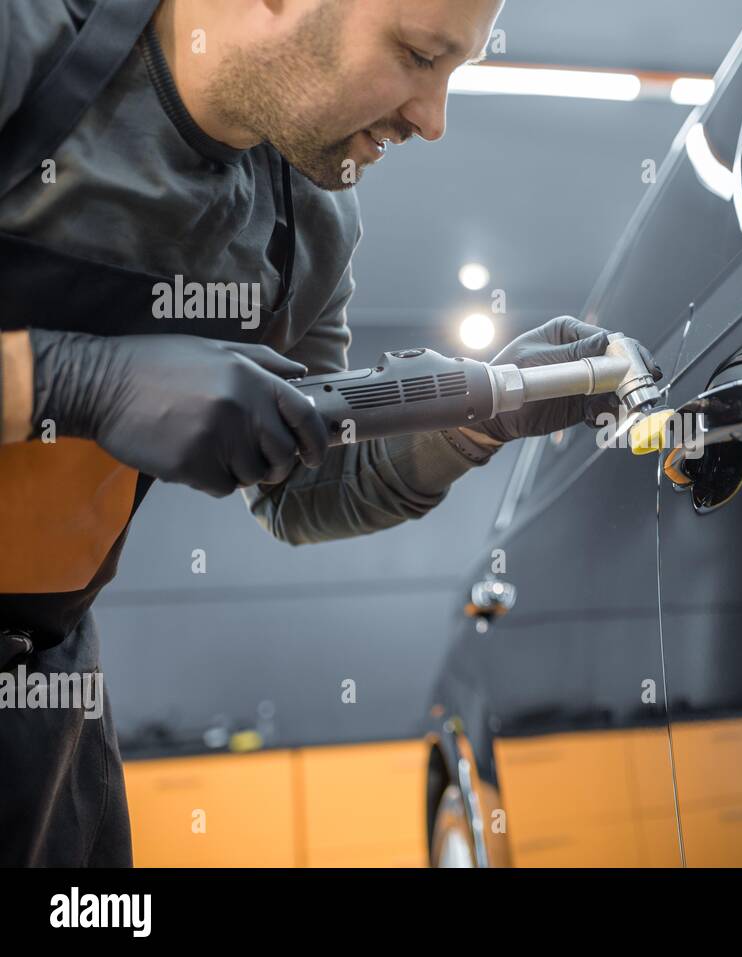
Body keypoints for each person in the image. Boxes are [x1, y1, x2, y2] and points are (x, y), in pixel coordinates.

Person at [0, 0, 657, 865]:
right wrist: (74, 381)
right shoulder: (29, 41)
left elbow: (301, 484)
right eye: (420, 55)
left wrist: (478, 416)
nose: (434, 119)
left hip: (41, 690)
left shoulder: (304, 225)